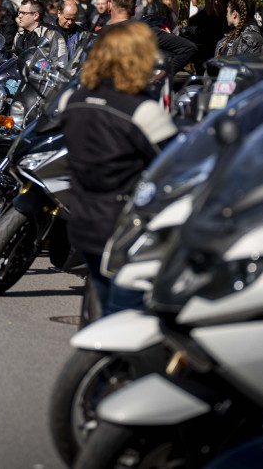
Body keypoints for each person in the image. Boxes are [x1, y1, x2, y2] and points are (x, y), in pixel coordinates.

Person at [62, 20, 177, 309]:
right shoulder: (143, 112)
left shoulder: (71, 100)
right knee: (128, 319)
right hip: (124, 231)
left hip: (81, 222)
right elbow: (178, 167)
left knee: (104, 301)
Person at [12, 0, 69, 67]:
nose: (20, 16)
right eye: (19, 12)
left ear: (36, 15)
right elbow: (13, 61)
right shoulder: (19, 35)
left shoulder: (50, 33)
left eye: (24, 13)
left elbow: (60, 63)